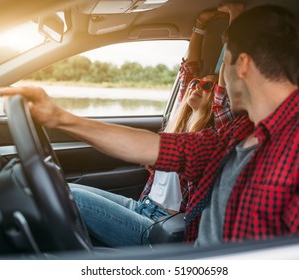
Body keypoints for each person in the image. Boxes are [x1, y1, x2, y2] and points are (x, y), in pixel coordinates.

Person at [0, 4, 299, 246]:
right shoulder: (234, 140)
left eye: (223, 63)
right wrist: (61, 118)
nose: (220, 80)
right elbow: (153, 148)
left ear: (240, 65)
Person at [68, 6, 239, 247]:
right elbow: (188, 71)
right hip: (143, 206)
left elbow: (224, 88)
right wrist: (199, 25)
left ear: (217, 98)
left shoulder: (214, 136)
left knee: (72, 198)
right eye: (196, 83)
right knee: (64, 190)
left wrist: (236, 17)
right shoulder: (181, 123)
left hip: (162, 228)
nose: (197, 86)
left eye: (208, 87)